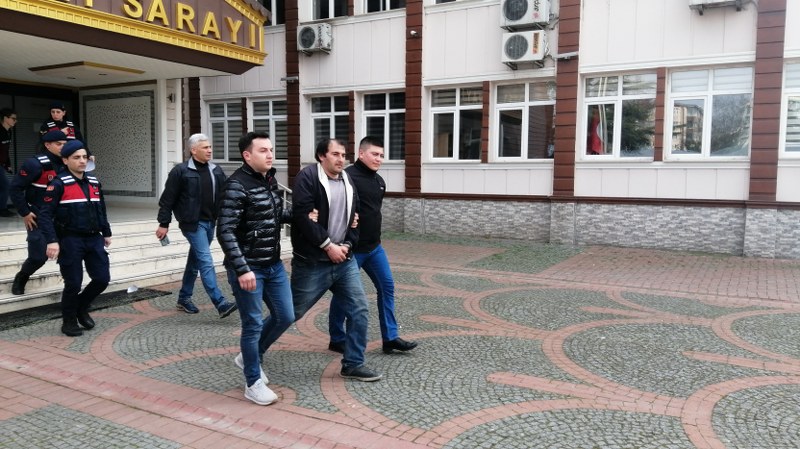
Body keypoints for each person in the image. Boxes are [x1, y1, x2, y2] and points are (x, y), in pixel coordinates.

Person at [289, 138, 382, 382]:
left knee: (359, 308)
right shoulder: (308, 177)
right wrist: (328, 246)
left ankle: (353, 363)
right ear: (322, 156)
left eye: (343, 155)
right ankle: (253, 350)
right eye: (335, 154)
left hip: (343, 259)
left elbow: (355, 217)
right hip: (313, 261)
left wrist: (348, 244)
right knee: (289, 313)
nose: (341, 159)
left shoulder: (347, 180)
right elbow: (302, 217)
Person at [216, 131, 293, 405]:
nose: (270, 154)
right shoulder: (236, 185)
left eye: (271, 149)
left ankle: (249, 356)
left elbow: (273, 215)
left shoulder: (269, 180)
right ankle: (253, 382)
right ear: (247, 155)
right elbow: (225, 231)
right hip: (249, 269)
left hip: (272, 264)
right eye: (263, 150)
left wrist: (301, 215)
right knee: (252, 324)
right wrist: (242, 268)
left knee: (286, 315)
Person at [328, 137, 418, 355]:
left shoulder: (379, 181)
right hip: (351, 250)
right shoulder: (347, 177)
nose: (379, 159)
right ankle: (337, 338)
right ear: (361, 154)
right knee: (344, 294)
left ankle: (390, 338)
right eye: (375, 154)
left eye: (382, 155)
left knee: (387, 287)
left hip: (374, 248)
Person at [156, 133, 237, 318]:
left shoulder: (216, 170)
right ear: (193, 150)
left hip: (211, 222)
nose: (210, 150)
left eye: (210, 147)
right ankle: (220, 303)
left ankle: (184, 298)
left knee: (195, 262)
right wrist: (163, 223)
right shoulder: (180, 171)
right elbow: (167, 199)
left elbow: (227, 194)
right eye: (205, 147)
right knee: (206, 261)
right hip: (192, 224)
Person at [38, 140, 111, 337]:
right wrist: (52, 240)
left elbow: (101, 208)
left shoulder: (94, 182)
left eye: (84, 157)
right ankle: (69, 321)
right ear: (65, 160)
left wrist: (106, 232)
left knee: (102, 279)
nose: (82, 161)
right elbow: (44, 215)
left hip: (94, 238)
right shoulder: (58, 184)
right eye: (76, 157)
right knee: (73, 284)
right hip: (70, 240)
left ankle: (81, 307)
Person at [9, 130, 68, 295]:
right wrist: (25, 212)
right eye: (58, 144)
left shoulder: (68, 162)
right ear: (47, 145)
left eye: (65, 144)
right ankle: (22, 277)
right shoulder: (34, 164)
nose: (63, 147)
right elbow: (15, 188)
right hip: (38, 216)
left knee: (69, 255)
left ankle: (71, 289)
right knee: (38, 256)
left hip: (62, 217)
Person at [0, 108, 17, 217]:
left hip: (1, 164)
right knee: (5, 185)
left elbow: (5, 150)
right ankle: (2, 209)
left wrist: (8, 164)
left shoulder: (8, 132)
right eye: (13, 118)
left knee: (3, 186)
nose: (15, 121)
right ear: (5, 118)